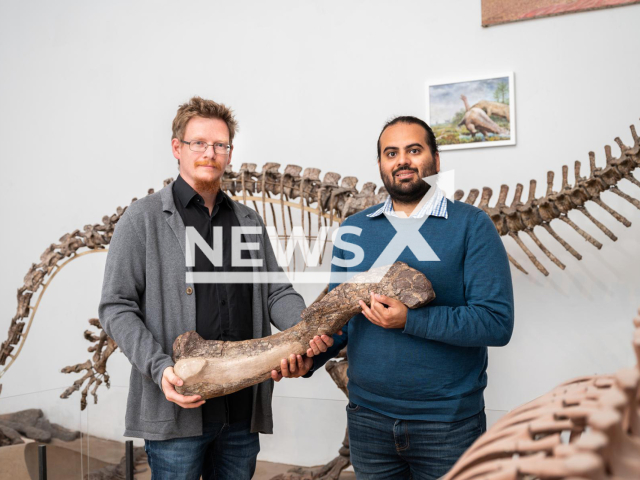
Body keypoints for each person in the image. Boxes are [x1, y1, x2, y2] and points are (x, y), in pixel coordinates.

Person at [99, 96, 333, 480]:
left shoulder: (248, 221)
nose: (210, 152)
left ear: (229, 152)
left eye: (220, 145)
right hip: (176, 413)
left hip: (241, 416)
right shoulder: (141, 221)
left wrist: (306, 328)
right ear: (177, 148)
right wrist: (160, 370)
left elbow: (276, 292)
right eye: (199, 143)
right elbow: (116, 306)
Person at [286, 116, 514, 480]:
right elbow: (341, 320)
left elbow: (496, 323)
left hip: (448, 426)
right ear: (380, 165)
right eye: (391, 153)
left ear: (436, 161)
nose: (402, 160)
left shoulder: (472, 225)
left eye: (414, 150)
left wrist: (410, 320)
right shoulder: (354, 230)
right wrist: (309, 361)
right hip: (367, 421)